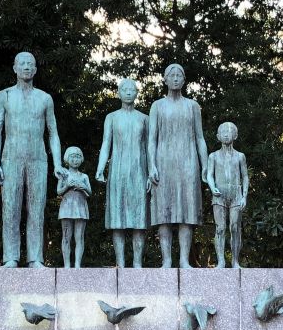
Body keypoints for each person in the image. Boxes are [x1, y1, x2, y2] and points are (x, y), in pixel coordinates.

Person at [0, 52, 64, 267]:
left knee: (36, 209)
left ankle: (35, 258)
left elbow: (54, 133)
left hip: (38, 159)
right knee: (10, 209)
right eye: (22, 63)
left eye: (30, 64)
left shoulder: (44, 98)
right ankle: (11, 257)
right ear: (14, 68)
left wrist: (57, 163)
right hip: (10, 157)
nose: (26, 67)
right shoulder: (3, 96)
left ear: (35, 70)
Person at [148, 63, 208, 268]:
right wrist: (151, 165)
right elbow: (151, 140)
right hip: (163, 162)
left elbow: (200, 138)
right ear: (164, 79)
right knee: (163, 213)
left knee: (187, 212)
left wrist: (204, 165)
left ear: (184, 80)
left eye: (179, 75)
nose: (175, 78)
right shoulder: (157, 106)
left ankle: (183, 260)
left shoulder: (192, 106)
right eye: (171, 75)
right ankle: (166, 260)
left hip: (188, 162)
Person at [95, 79, 151, 267]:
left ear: (137, 93)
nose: (128, 92)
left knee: (139, 218)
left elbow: (150, 148)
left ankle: (137, 263)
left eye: (132, 89)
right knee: (117, 217)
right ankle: (120, 262)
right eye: (124, 89)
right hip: (118, 170)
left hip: (139, 171)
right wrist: (100, 168)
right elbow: (106, 144)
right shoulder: (111, 117)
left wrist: (152, 172)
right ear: (118, 93)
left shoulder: (144, 118)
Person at [206, 122, 249, 268]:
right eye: (223, 131)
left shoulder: (240, 156)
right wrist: (212, 187)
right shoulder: (213, 156)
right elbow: (209, 175)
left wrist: (244, 196)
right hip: (219, 195)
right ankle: (221, 261)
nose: (226, 133)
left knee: (235, 227)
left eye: (229, 131)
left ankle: (235, 261)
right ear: (218, 136)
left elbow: (245, 177)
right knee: (220, 228)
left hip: (236, 194)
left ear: (235, 135)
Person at [58, 146, 91, 268]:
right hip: (66, 206)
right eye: (72, 156)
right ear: (67, 158)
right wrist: (67, 185)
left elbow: (90, 192)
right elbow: (59, 191)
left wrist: (82, 186)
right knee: (66, 236)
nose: (75, 160)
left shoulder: (84, 176)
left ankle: (77, 264)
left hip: (80, 207)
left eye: (78, 157)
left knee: (79, 236)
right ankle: (66, 264)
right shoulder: (63, 175)